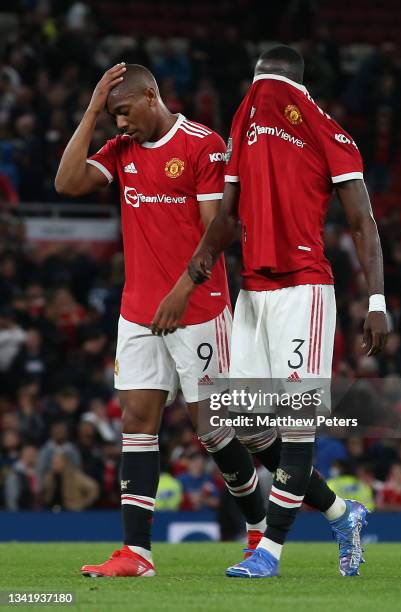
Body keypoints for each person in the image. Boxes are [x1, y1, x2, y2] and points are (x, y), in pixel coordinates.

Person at [152, 46, 389, 578]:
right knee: (250, 425)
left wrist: (376, 301)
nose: (262, 100)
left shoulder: (325, 130)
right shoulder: (246, 125)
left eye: (266, 89)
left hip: (304, 289)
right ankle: (340, 511)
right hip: (253, 293)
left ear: (282, 83)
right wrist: (185, 286)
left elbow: (363, 222)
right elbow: (226, 220)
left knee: (297, 426)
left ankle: (270, 553)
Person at [55, 63, 271, 578]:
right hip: (138, 311)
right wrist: (91, 110)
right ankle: (137, 554)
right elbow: (67, 183)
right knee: (136, 421)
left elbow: (218, 229)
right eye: (113, 118)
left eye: (124, 113)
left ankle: (260, 525)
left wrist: (181, 290)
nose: (120, 126)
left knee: (214, 430)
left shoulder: (201, 144)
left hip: (196, 306)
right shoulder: (122, 148)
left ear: (151, 96)